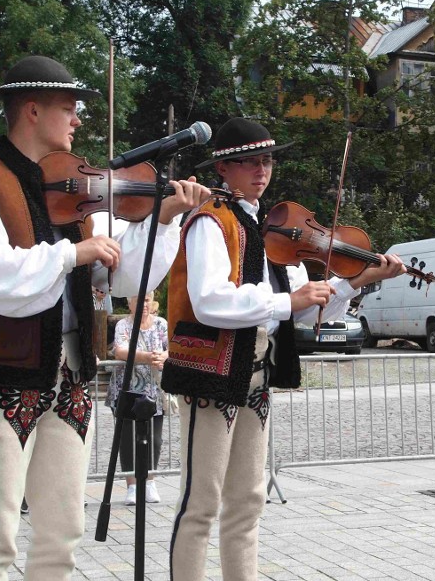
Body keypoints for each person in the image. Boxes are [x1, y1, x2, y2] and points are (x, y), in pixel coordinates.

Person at [0, 55, 209, 581]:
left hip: (72, 372)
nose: (79, 120)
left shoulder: (80, 186)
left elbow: (123, 275)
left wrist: (167, 217)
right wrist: (71, 256)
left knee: (62, 534)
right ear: (33, 111)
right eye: (69, 108)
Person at [160, 117, 407, 581]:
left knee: (249, 500)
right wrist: (285, 300)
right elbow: (210, 300)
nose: (260, 170)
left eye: (267, 160)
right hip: (210, 373)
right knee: (200, 502)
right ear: (224, 169)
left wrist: (357, 281)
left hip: (256, 377)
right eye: (248, 161)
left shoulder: (274, 234)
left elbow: (308, 308)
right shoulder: (209, 222)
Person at [107, 290, 168, 505]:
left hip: (155, 388)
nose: (143, 304)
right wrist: (147, 357)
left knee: (155, 439)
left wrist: (163, 356)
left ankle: (150, 482)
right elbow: (120, 351)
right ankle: (132, 486)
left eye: (147, 300)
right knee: (128, 438)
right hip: (128, 388)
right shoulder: (123, 325)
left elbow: (170, 349)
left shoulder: (161, 323)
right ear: (130, 304)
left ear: (153, 303)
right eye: (138, 301)